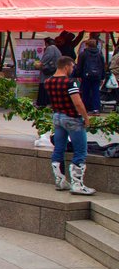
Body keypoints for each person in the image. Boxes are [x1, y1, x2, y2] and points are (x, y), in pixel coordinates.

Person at [45, 57, 95, 195]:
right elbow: (77, 103)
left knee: (59, 148)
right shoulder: (70, 82)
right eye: (72, 67)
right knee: (80, 151)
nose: (72, 70)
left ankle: (60, 181)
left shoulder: (48, 81)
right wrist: (85, 117)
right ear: (66, 67)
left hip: (57, 117)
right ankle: (78, 185)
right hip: (72, 118)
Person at [75, 38, 106, 114]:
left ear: (87, 45)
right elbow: (102, 66)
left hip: (86, 76)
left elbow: (79, 66)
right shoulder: (99, 55)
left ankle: (85, 108)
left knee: (85, 92)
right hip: (97, 76)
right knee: (96, 92)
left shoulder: (83, 54)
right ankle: (96, 109)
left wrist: (78, 75)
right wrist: (102, 77)